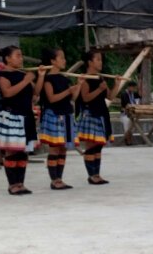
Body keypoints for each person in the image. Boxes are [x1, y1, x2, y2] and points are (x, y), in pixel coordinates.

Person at [0, 46, 46, 195]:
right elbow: (7, 93)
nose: (21, 59)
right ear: (8, 58)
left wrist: (40, 76)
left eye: (21, 55)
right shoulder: (3, 76)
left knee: (23, 151)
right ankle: (12, 184)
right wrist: (26, 80)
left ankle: (21, 183)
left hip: (26, 115)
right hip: (11, 116)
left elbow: (36, 93)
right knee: (11, 151)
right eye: (18, 55)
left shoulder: (23, 74)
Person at [39, 47, 84, 190]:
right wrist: (68, 90)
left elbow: (73, 98)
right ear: (53, 61)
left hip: (67, 114)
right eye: (61, 58)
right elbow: (52, 98)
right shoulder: (47, 79)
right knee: (54, 149)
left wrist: (79, 85)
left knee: (63, 149)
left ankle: (60, 178)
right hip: (54, 114)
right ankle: (54, 180)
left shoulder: (65, 78)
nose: (64, 60)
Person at [77, 50, 122, 185]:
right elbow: (85, 98)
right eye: (98, 59)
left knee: (98, 146)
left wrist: (117, 84)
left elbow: (110, 96)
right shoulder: (84, 79)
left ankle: (97, 174)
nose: (101, 62)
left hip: (101, 113)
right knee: (91, 145)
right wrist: (99, 90)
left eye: (101, 59)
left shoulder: (100, 79)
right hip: (90, 114)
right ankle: (92, 175)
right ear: (90, 62)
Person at [119, 81, 142, 145]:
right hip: (125, 113)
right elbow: (126, 104)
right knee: (127, 126)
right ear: (129, 87)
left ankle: (129, 139)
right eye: (133, 88)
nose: (134, 89)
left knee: (132, 127)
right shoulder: (124, 94)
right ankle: (128, 140)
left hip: (133, 113)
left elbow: (140, 96)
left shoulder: (134, 94)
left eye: (135, 88)